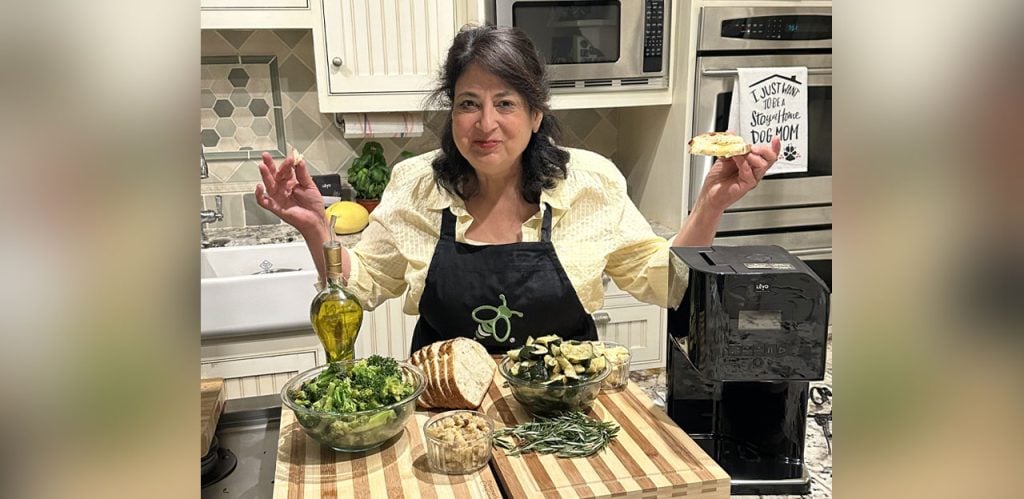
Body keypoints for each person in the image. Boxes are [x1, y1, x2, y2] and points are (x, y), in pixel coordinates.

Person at [255, 25, 781, 355]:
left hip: (563, 412)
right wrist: (318, 229)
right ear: (452, 111)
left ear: (535, 115)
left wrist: (709, 202)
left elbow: (667, 283)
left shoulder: (589, 183)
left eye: (505, 103)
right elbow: (361, 287)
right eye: (468, 102)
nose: (485, 123)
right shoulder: (415, 186)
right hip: (446, 415)